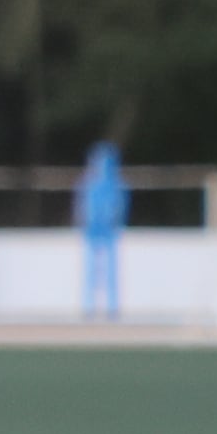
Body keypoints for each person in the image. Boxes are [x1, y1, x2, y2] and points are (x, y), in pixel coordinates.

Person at [78, 134, 128, 317]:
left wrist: (117, 222)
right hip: (93, 230)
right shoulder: (88, 184)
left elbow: (120, 206)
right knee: (92, 271)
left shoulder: (116, 184)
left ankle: (112, 307)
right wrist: (85, 223)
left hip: (108, 230)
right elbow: (83, 206)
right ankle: (89, 307)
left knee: (110, 271)